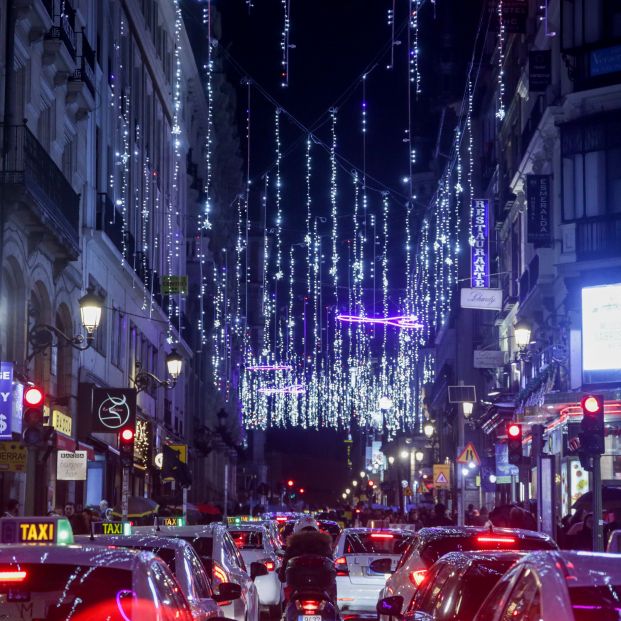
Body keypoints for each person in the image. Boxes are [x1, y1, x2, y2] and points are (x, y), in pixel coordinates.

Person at [278, 516, 335, 599]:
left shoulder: (293, 547)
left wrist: (282, 574)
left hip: (298, 593)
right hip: (321, 592)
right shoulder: (324, 545)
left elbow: (283, 575)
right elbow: (331, 568)